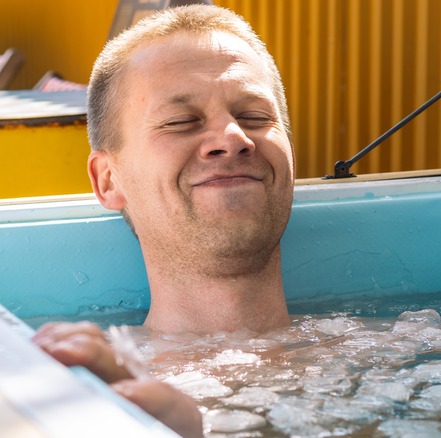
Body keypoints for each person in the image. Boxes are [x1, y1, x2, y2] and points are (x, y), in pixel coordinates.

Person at [33, 4, 296, 437]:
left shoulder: (421, 347)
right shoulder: (74, 382)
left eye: (254, 117)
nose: (233, 138)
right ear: (108, 180)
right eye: (180, 122)